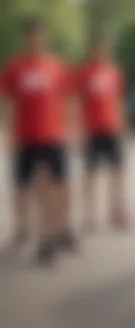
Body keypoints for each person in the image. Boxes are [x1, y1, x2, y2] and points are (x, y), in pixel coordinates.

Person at [0, 17, 75, 265]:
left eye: (40, 36)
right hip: (25, 136)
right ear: (26, 39)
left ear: (45, 38)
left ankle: (49, 239)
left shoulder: (56, 67)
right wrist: (7, 131)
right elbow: (7, 101)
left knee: (53, 189)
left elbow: (68, 99)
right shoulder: (16, 67)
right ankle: (23, 230)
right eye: (32, 37)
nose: (36, 41)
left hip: (52, 136)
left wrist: (72, 129)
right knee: (23, 189)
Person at [73, 32, 130, 233]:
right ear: (91, 50)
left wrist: (123, 126)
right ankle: (90, 214)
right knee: (90, 173)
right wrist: (76, 131)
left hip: (112, 128)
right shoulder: (84, 73)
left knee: (117, 171)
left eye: (104, 48)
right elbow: (76, 102)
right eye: (97, 48)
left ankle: (117, 211)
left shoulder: (114, 71)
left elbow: (119, 101)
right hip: (91, 129)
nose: (101, 51)